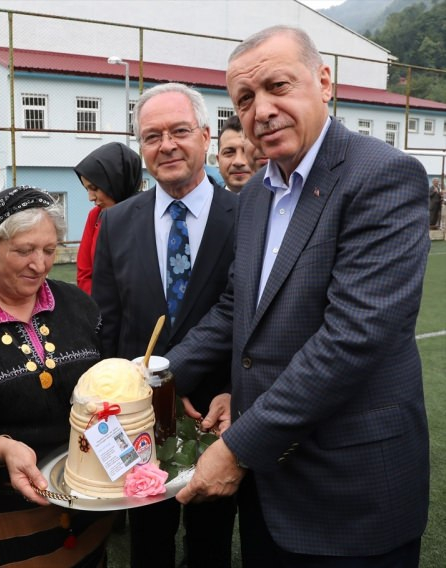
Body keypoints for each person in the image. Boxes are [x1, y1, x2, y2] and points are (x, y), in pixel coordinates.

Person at [169, 25, 430, 567]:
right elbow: (238, 310)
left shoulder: (381, 175)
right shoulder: (256, 197)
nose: (261, 110)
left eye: (277, 86)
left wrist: (239, 447)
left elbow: (351, 341)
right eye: (244, 99)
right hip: (272, 490)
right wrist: (155, 373)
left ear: (324, 81)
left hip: (351, 493)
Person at [93, 82, 237, 568]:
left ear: (205, 136)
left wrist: (236, 394)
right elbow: (108, 328)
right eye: (152, 136)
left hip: (218, 419)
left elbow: (256, 322)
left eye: (179, 131)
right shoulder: (117, 223)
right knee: (147, 547)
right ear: (141, 148)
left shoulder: (245, 218)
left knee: (210, 546)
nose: (166, 145)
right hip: (141, 426)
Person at [0, 186, 115, 567]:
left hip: (84, 501)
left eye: (49, 250)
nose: (39, 264)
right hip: (3, 518)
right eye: (24, 250)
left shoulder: (79, 307)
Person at [74, 141, 142, 293]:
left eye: (95, 188)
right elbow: (84, 273)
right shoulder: (96, 216)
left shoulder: (149, 217)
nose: (91, 197)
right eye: (87, 189)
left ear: (116, 181)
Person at [217, 114, 252, 193]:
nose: (238, 161)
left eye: (246, 151)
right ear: (218, 160)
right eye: (229, 152)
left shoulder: (276, 203)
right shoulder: (207, 204)